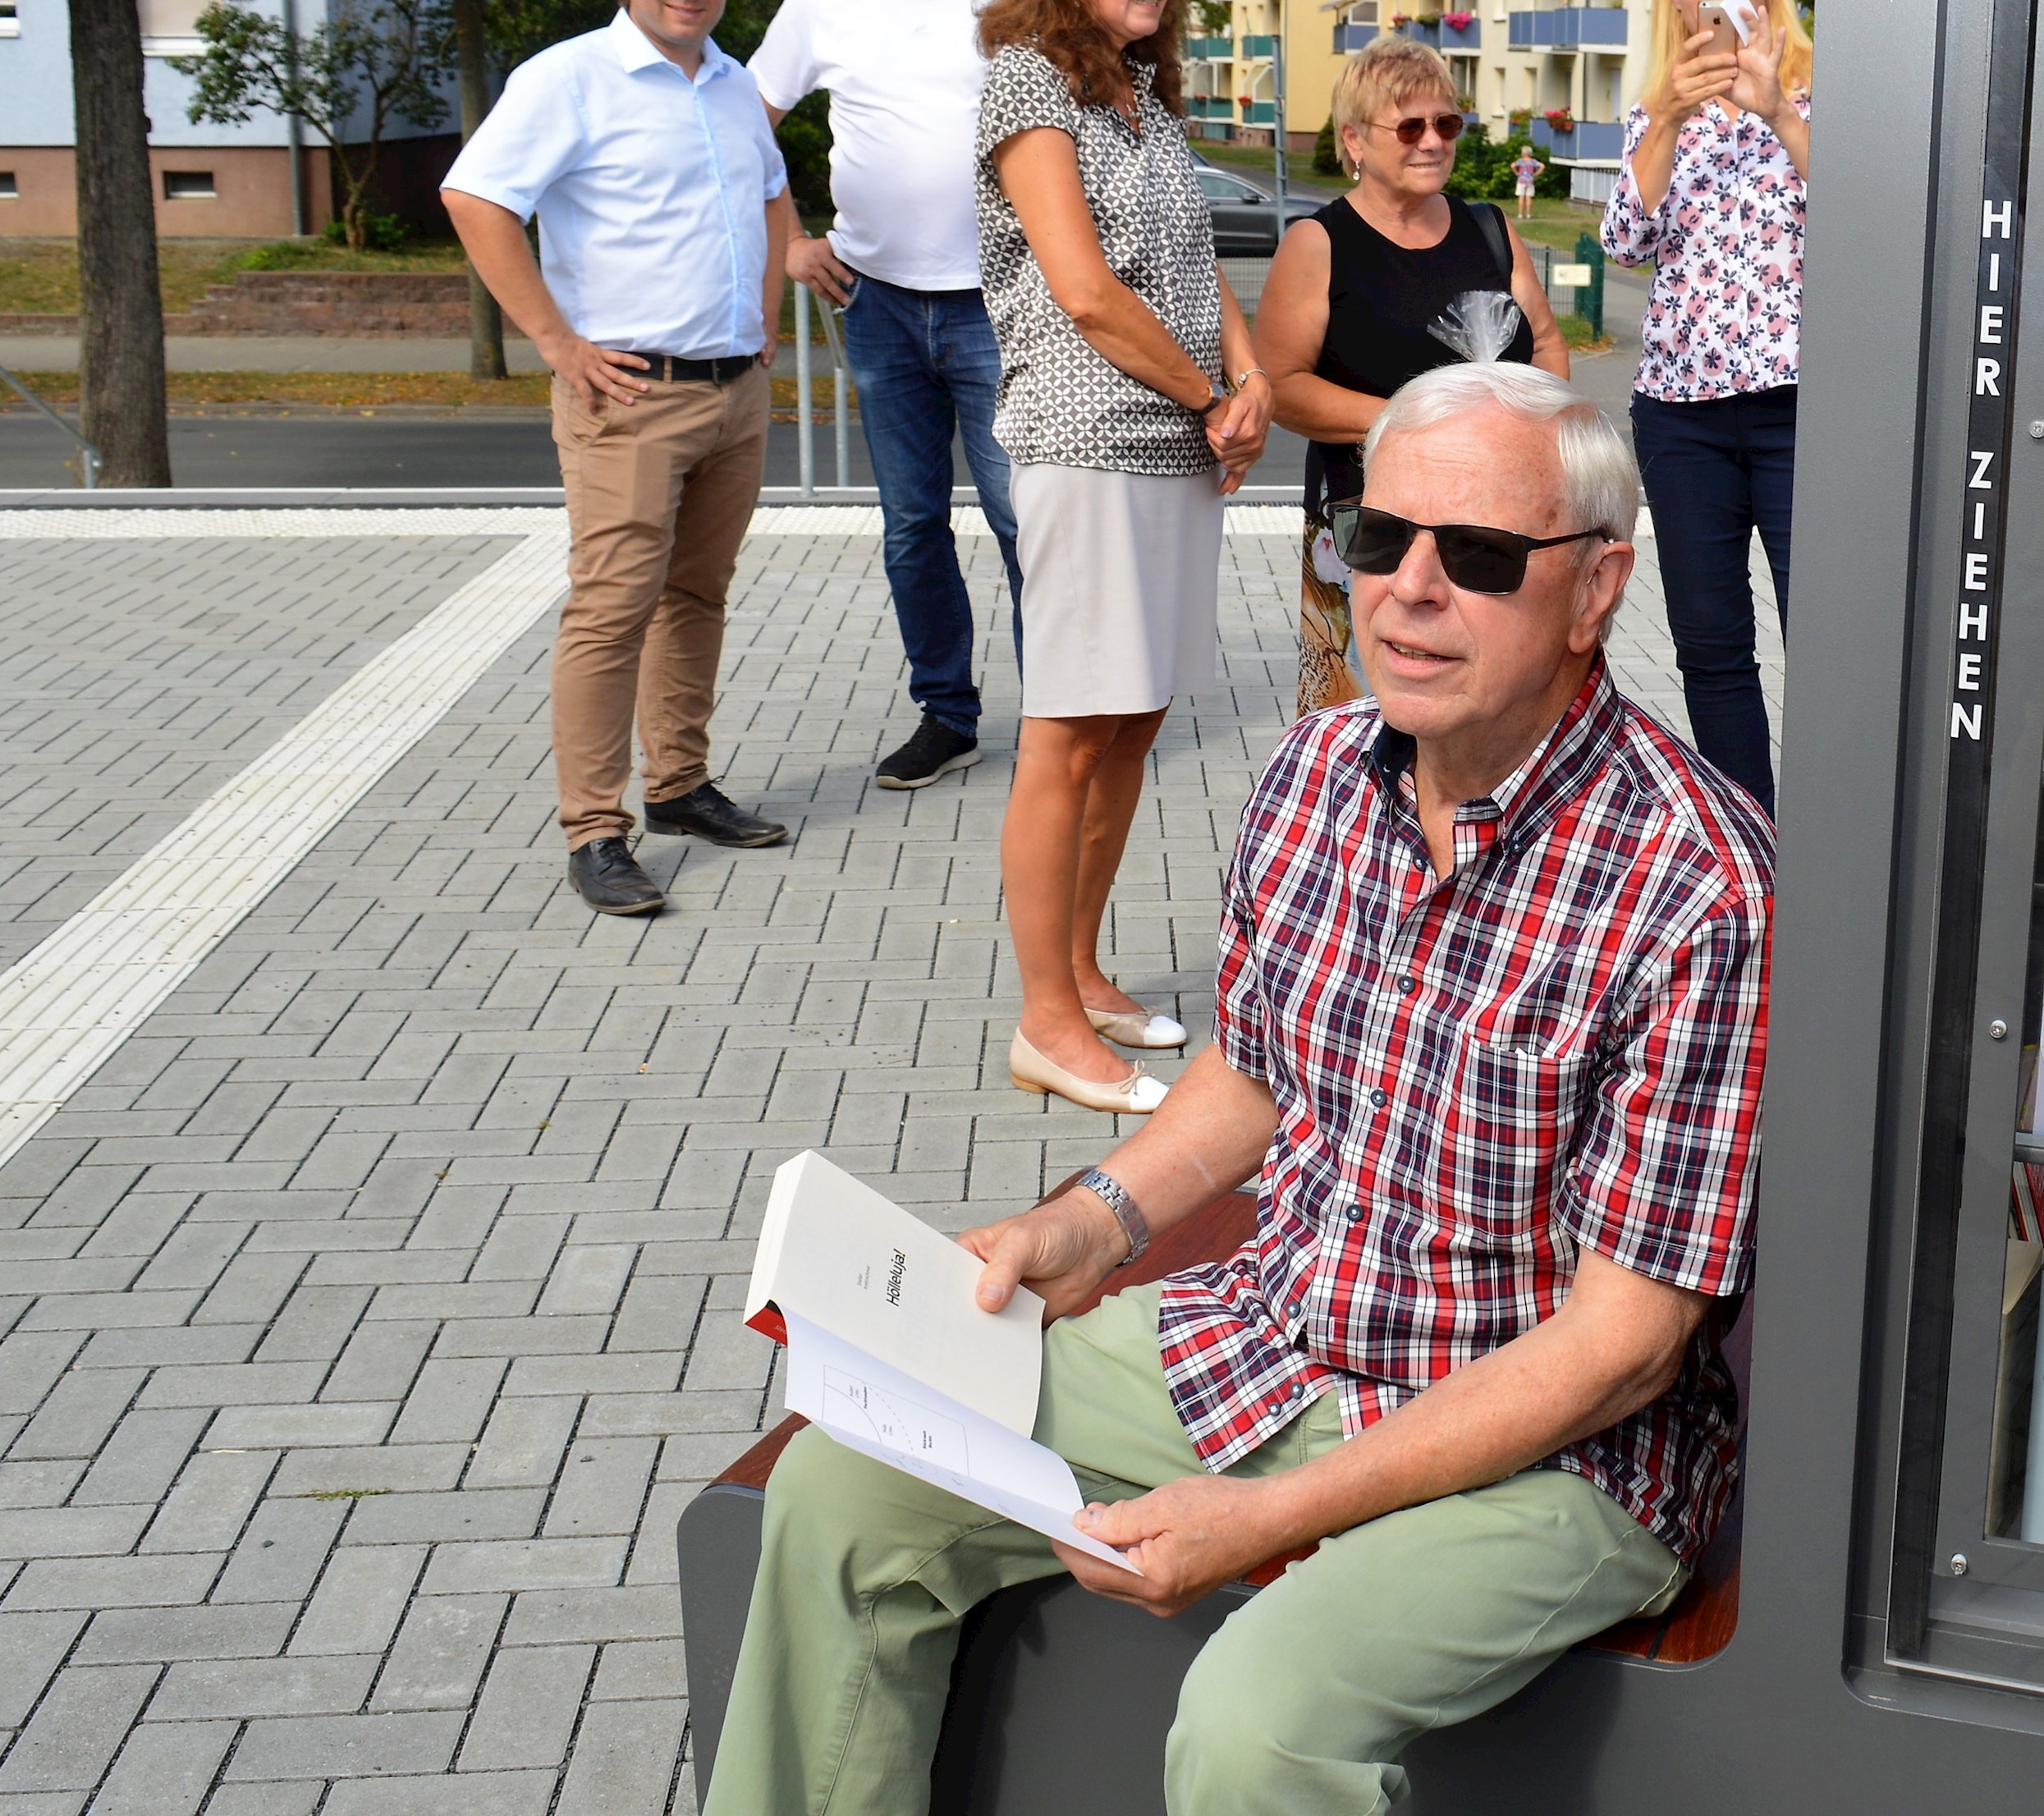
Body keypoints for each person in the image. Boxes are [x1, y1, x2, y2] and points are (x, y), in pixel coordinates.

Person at [703, 363, 1771, 1816]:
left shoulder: (1703, 884)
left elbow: (1624, 1350)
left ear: (1594, 591)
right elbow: (1252, 1073)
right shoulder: (1323, 767)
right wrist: (1081, 1224)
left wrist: (1264, 1516)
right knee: (843, 1487)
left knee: (1260, 1725)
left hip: (1550, 1447)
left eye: (1474, 557)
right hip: (1284, 1333)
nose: (1406, 591)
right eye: (1378, 539)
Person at [978, 0, 1272, 1111]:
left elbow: (1197, 267)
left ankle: (1086, 971)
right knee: (1066, 730)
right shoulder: (1027, 83)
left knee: (1134, 716)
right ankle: (1046, 1018)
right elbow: (1086, 290)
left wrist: (1248, 379)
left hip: (1176, 443)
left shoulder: (1145, 97)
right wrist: (1213, 399)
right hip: (1088, 441)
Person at [442, 0, 795, 919]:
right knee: (610, 613)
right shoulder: (570, 79)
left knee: (695, 599)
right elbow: (473, 198)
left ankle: (679, 784)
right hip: (628, 394)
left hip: (733, 390)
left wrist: (767, 312)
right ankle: (596, 828)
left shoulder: (733, 85)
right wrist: (553, 339)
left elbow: (774, 192)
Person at [753, 0, 1024, 792]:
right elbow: (744, 121)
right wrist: (789, 238)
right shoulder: (823, 0)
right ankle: (946, 714)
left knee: (1022, 517)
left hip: (999, 303)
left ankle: (1064, 722)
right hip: (874, 302)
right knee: (912, 525)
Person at [1258, 36, 1568, 714]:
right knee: (1368, 721)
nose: (1432, 141)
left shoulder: (1490, 229)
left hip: (1494, 520)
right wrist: (1420, 426)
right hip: (1373, 527)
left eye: (1447, 124)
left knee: (1485, 708)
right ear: (1355, 140)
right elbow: (1281, 383)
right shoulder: (1320, 242)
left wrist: (1533, 428)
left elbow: (1545, 344)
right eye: (1409, 126)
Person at [1602, 0, 1813, 814]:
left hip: (1803, 408)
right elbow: (1622, 241)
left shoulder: (1818, 87)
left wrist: (1775, 110)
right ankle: (1755, 844)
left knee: (1828, 638)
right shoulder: (1658, 106)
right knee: (1711, 647)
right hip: (1682, 416)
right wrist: (1668, 123)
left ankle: (1837, 841)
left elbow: (1880, 223)